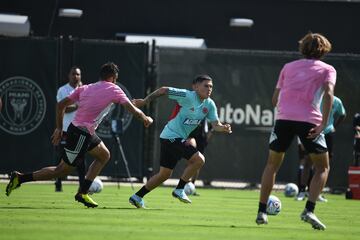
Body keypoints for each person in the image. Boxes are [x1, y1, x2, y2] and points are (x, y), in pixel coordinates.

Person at [5, 62, 153, 208]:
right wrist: (146, 118)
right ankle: (20, 178)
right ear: (114, 77)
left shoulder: (85, 88)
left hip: (83, 132)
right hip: (81, 134)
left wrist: (59, 128)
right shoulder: (115, 89)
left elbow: (60, 105)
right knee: (61, 170)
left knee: (104, 155)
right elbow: (133, 111)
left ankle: (83, 192)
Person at [255, 33, 336, 230]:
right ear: (324, 49)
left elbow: (275, 100)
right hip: (309, 121)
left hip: (283, 119)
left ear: (302, 48)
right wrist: (323, 123)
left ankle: (262, 212)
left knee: (272, 165)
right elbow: (329, 94)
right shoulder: (328, 69)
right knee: (322, 167)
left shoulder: (288, 67)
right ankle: (309, 210)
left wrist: (287, 109)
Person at [129, 74, 232, 208]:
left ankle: (137, 196)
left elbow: (215, 124)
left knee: (164, 174)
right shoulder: (188, 96)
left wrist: (222, 128)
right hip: (171, 136)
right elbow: (164, 90)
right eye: (205, 86)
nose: (209, 89)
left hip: (172, 137)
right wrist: (144, 101)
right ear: (195, 87)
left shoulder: (210, 104)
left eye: (211, 86)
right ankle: (179, 189)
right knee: (199, 159)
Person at [296, 96, 346, 201]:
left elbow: (342, 114)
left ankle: (316, 193)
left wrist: (334, 126)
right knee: (308, 162)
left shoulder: (336, 101)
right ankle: (302, 191)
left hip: (328, 134)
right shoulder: (314, 98)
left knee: (324, 166)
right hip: (314, 132)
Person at [54, 66, 86, 192]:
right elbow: (63, 108)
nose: (76, 77)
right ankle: (58, 183)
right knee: (63, 158)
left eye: (78, 74)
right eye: (73, 74)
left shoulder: (85, 89)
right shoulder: (63, 90)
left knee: (81, 159)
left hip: (81, 129)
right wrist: (78, 105)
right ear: (69, 76)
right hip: (67, 129)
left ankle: (83, 186)